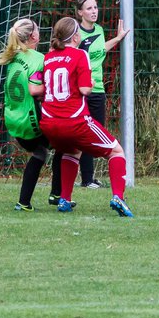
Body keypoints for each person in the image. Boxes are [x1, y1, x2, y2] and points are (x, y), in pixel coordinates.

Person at [38, 16, 133, 217]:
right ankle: (118, 197)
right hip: (73, 120)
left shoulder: (48, 57)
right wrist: (87, 84)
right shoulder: (80, 54)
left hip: (48, 122)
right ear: (75, 37)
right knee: (116, 151)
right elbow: (85, 89)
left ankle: (64, 199)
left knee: (72, 152)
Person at [52, 0, 128, 197]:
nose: (94, 11)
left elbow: (99, 51)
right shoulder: (74, 35)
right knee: (78, 137)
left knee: (95, 131)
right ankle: (75, 182)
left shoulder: (100, 30)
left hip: (97, 90)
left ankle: (88, 178)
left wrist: (118, 39)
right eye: (89, 8)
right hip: (79, 91)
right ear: (79, 13)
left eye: (95, 7)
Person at [0, 18, 54, 212]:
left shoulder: (13, 57)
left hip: (12, 121)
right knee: (67, 143)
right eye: (38, 29)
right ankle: (57, 195)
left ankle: (24, 202)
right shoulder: (37, 58)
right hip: (30, 121)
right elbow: (34, 90)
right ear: (33, 36)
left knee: (41, 152)